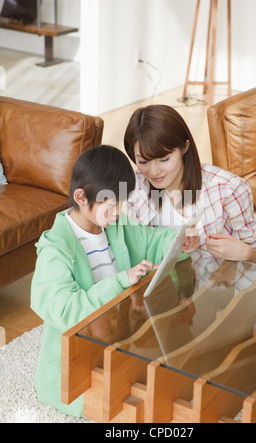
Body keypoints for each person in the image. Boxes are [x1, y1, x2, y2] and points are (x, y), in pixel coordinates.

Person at [30, 145, 192, 418]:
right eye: (111, 204)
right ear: (81, 197)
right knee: (133, 406)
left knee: (172, 376)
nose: (118, 211)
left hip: (120, 339)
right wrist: (120, 281)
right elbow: (65, 311)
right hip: (77, 360)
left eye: (123, 202)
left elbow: (154, 241)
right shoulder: (55, 249)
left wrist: (181, 241)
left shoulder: (116, 225)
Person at [124, 104, 256, 296]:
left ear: (185, 147)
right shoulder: (135, 187)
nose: (154, 171)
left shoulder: (228, 188)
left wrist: (244, 252)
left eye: (164, 159)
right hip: (202, 300)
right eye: (143, 161)